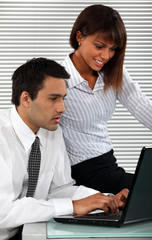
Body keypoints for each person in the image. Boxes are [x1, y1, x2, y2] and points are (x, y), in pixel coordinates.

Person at [0, 57, 128, 240]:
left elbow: (61, 189)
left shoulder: (53, 132)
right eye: (53, 99)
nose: (62, 108)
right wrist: (73, 206)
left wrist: (108, 199)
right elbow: (3, 212)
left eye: (63, 98)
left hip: (30, 233)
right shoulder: (2, 136)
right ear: (26, 98)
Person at [60, 4, 152, 194]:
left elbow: (139, 104)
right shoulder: (57, 79)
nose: (105, 56)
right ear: (79, 36)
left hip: (108, 164)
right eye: (99, 46)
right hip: (81, 172)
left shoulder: (111, 72)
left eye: (113, 49)